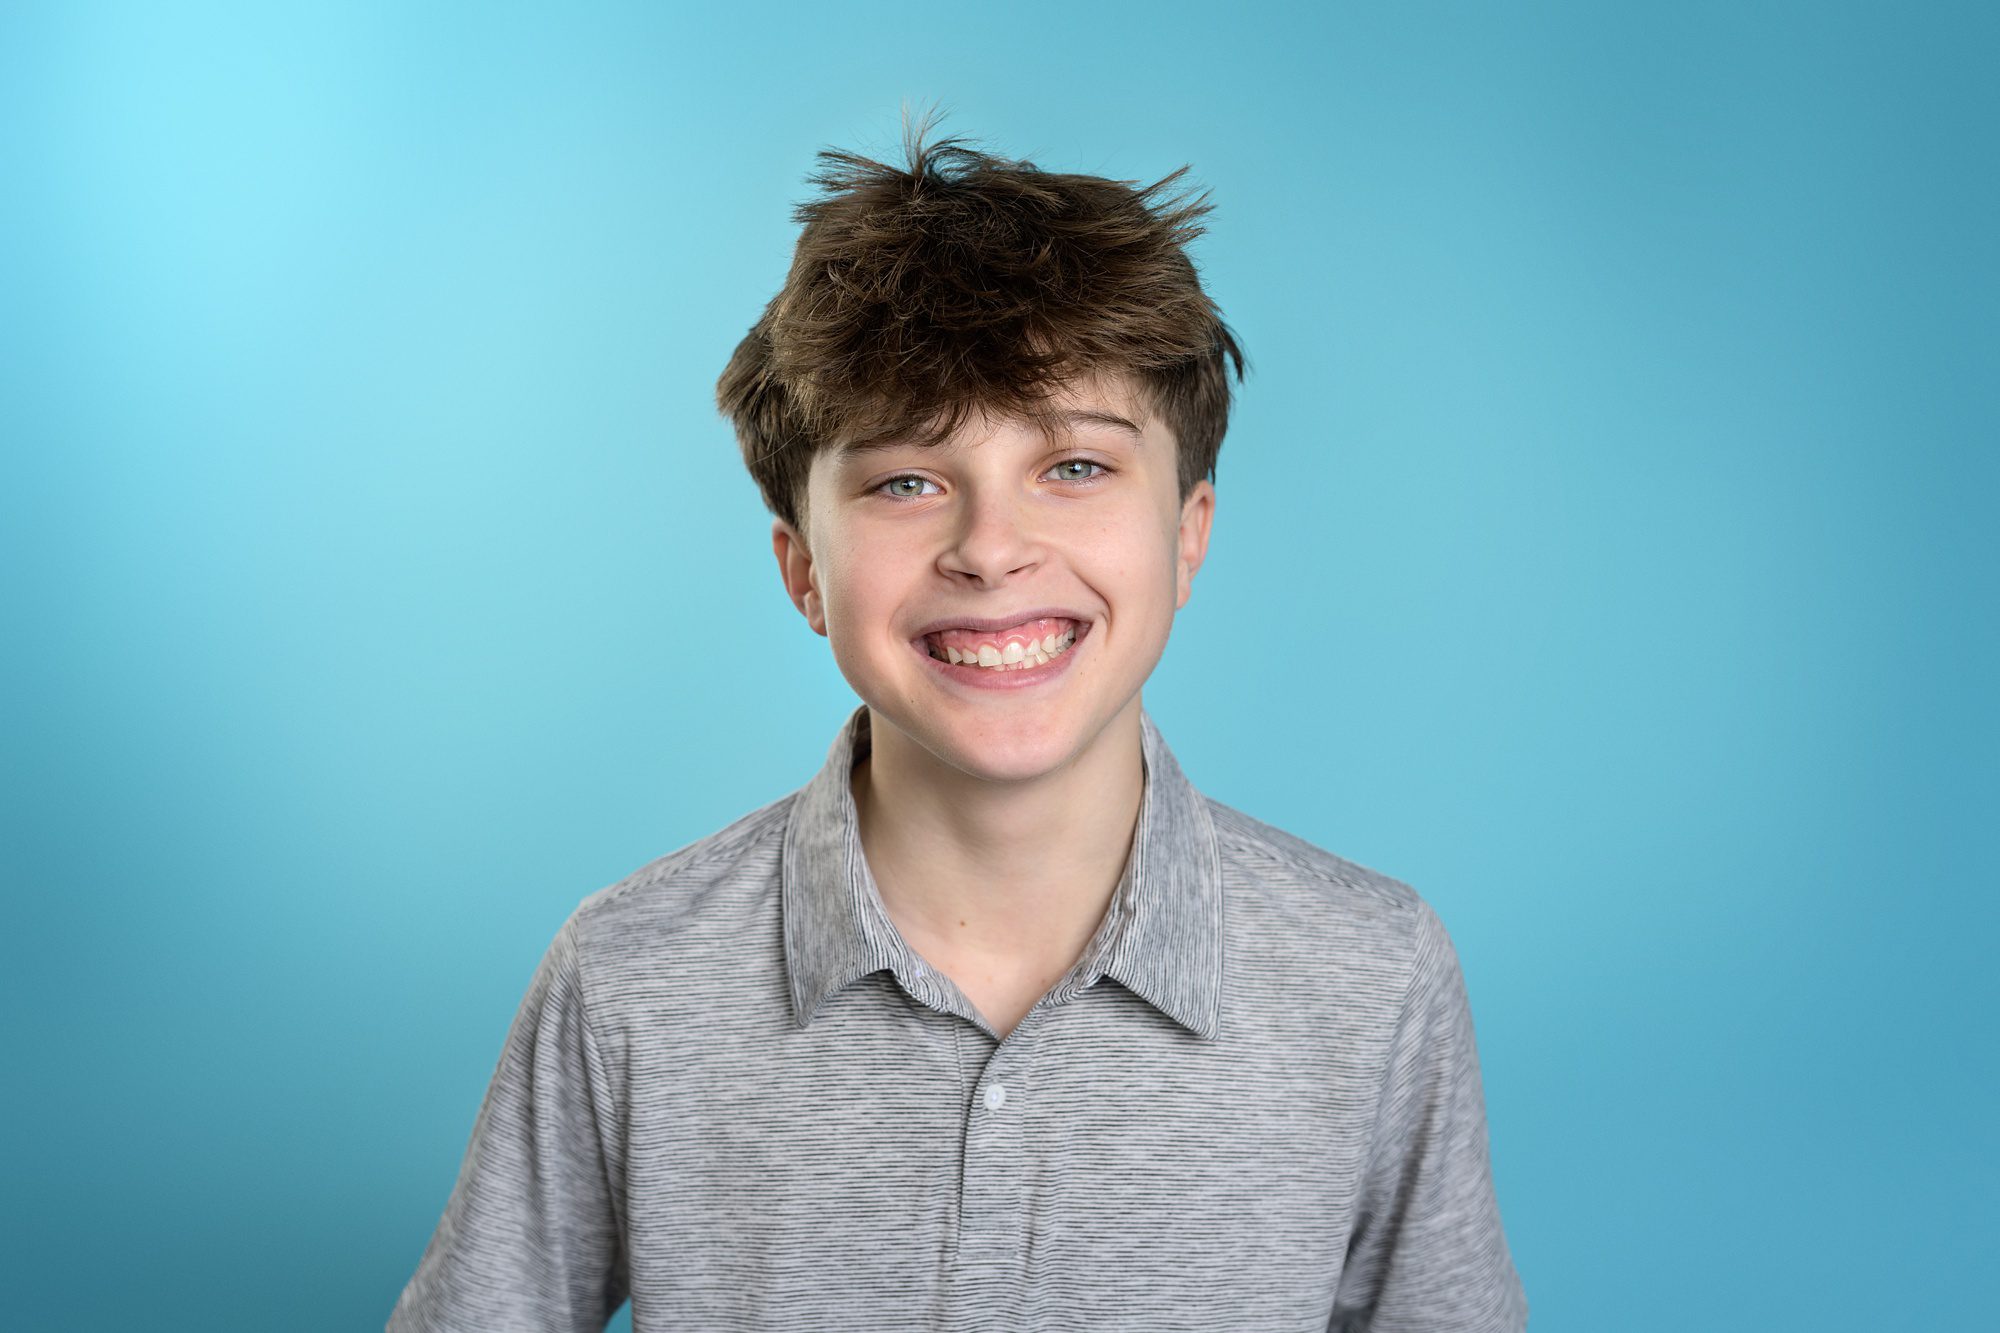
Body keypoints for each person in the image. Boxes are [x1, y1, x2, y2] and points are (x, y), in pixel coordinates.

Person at [387, 116, 1528, 1332]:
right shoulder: (628, 977)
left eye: (1076, 467)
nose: (988, 548)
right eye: (906, 482)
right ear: (802, 570)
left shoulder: (1371, 975)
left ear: (1187, 532)